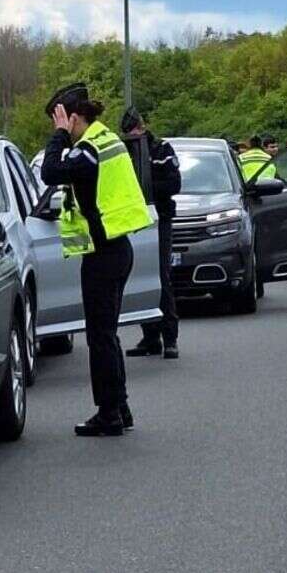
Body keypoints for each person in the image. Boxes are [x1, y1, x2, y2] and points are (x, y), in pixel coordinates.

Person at [40, 83, 153, 436]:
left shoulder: (88, 150)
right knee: (107, 335)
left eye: (59, 120)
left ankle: (109, 414)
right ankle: (120, 406)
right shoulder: (106, 141)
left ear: (73, 117)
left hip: (105, 255)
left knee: (100, 337)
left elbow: (50, 171)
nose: (57, 128)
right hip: (117, 250)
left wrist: (59, 135)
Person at [121, 108, 182, 359]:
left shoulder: (161, 150)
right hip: (134, 220)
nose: (132, 135)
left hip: (160, 219)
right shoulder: (124, 152)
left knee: (161, 278)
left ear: (143, 127)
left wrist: (144, 189)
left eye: (135, 130)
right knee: (141, 277)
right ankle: (150, 337)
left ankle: (170, 338)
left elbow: (174, 183)